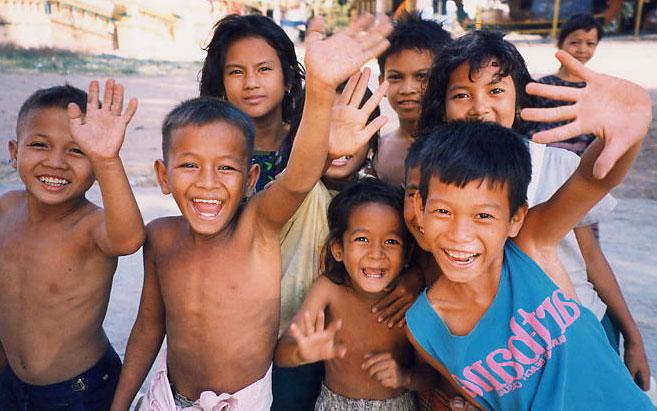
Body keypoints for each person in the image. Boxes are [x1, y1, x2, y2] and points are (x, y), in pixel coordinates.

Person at [109, 14, 393, 411]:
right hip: (171, 399)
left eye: (226, 168)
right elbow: (148, 326)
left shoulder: (256, 223)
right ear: (164, 175)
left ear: (249, 179)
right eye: (190, 165)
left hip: (273, 362)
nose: (208, 182)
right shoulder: (161, 236)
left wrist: (322, 90)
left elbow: (296, 179)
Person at [417, 30, 651, 389]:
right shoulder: (437, 176)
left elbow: (592, 255)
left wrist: (632, 336)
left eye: (496, 90)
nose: (480, 107)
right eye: (462, 94)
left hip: (579, 324)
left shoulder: (552, 165)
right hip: (511, 352)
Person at [0, 81, 144, 410]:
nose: (57, 162)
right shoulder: (6, 208)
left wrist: (107, 159)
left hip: (79, 392)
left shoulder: (91, 228)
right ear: (13, 152)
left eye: (77, 150)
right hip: (11, 382)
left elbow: (130, 238)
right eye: (39, 144)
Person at [275, 179, 439, 411]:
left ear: (407, 253)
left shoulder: (412, 302)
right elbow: (282, 354)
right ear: (338, 249)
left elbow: (432, 376)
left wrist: (405, 377)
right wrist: (301, 352)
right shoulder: (328, 290)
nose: (376, 253)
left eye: (391, 241)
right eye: (362, 239)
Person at [200, 14, 305, 192]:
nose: (251, 83)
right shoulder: (210, 148)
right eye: (236, 72)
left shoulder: (306, 142)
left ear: (287, 78)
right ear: (221, 84)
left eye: (264, 69)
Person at [374, 11, 452, 188]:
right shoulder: (379, 150)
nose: (407, 89)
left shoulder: (459, 144)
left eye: (422, 76)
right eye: (395, 77)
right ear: (382, 83)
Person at [531, 14, 604, 156]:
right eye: (575, 42)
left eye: (590, 44)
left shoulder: (596, 89)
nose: (582, 49)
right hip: (545, 153)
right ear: (560, 43)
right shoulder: (544, 85)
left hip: (581, 159)